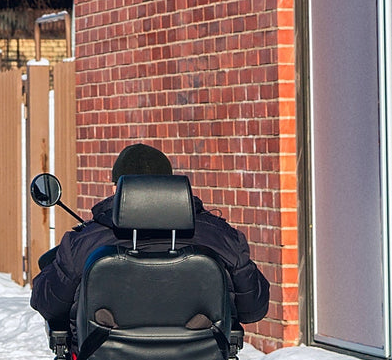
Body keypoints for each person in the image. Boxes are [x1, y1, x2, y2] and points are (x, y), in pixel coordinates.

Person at [30, 143, 270, 338]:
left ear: (117, 189)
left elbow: (49, 305)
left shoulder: (84, 243)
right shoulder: (222, 238)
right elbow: (253, 309)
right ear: (167, 184)